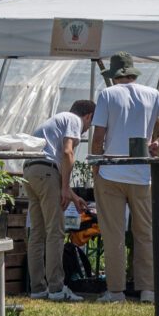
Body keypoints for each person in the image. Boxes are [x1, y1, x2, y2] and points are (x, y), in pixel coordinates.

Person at [87, 56, 159, 305]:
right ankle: (148, 291)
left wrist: (96, 165)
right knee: (144, 233)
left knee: (114, 235)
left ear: (114, 74)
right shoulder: (152, 94)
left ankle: (116, 292)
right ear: (133, 73)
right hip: (142, 173)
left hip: (111, 171)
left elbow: (98, 135)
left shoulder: (108, 95)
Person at [21, 100, 96, 301]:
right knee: (55, 231)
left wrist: (72, 195)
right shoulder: (73, 120)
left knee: (37, 232)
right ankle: (56, 288)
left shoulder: (57, 120)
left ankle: (37, 288)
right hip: (46, 171)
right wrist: (64, 189)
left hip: (30, 169)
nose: (87, 129)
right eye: (91, 123)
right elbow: (67, 152)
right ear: (88, 116)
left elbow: (55, 164)